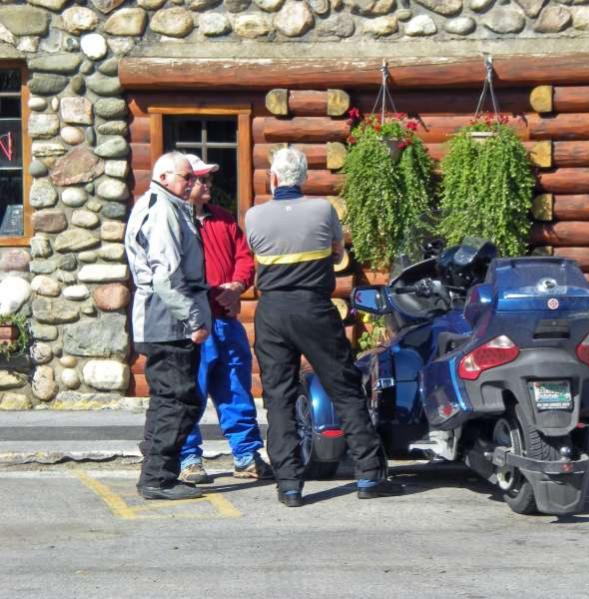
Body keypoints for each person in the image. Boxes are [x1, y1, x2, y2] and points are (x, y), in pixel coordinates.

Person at [245, 147, 404, 507]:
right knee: (344, 388)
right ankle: (369, 474)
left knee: (279, 396)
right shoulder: (322, 209)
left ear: (273, 178)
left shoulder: (254, 215)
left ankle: (289, 485)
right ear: (304, 178)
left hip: (273, 309)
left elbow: (256, 250)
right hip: (314, 305)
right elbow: (337, 253)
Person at [177, 154, 272, 484]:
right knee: (190, 392)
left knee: (235, 389)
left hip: (225, 321)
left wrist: (237, 286)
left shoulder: (224, 219)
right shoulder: (174, 222)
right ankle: (189, 458)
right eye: (201, 179)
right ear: (186, 183)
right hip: (191, 324)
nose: (207, 185)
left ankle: (245, 455)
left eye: (208, 179)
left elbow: (245, 258)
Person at [124, 152, 211, 501]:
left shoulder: (164, 205)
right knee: (178, 399)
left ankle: (157, 470)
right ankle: (158, 477)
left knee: (168, 399)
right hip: (168, 320)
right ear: (163, 177)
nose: (192, 183)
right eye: (186, 177)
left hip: (160, 318)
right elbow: (166, 276)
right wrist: (193, 318)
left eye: (194, 178)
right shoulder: (162, 210)